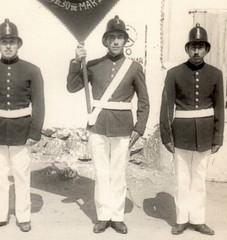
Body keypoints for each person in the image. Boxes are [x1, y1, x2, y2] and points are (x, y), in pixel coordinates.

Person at [67, 15, 149, 234]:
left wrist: (139, 127)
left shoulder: (133, 68)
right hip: (98, 125)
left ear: (125, 41)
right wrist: (77, 62)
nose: (115, 42)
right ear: (105, 41)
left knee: (118, 173)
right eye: (111, 37)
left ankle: (117, 216)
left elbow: (143, 100)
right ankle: (103, 215)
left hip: (123, 127)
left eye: (119, 37)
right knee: (101, 172)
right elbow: (73, 86)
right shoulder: (92, 65)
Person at [0, 18, 45, 232]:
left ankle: (23, 216)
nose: (8, 45)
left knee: (22, 174)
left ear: (19, 44)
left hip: (21, 131)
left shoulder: (32, 70)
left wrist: (35, 131)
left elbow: (39, 104)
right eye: (4, 41)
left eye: (12, 41)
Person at [160, 23, 224, 236]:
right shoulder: (174, 73)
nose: (196, 51)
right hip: (181, 134)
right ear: (187, 49)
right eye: (193, 47)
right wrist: (166, 135)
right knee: (182, 178)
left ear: (206, 49)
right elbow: (167, 106)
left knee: (199, 178)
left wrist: (218, 137)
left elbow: (218, 109)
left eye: (201, 46)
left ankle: (197, 219)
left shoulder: (215, 74)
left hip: (205, 135)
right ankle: (181, 219)